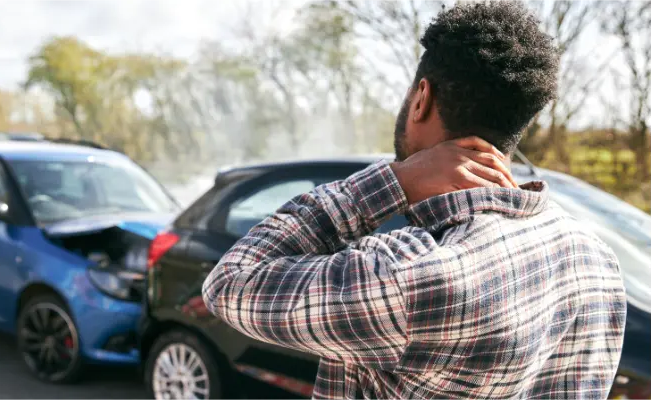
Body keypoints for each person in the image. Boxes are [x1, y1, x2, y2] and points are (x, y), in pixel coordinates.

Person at [202, 2, 626, 399]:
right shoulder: (595, 259)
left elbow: (231, 282)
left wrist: (393, 180)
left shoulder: (410, 276)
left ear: (421, 98)